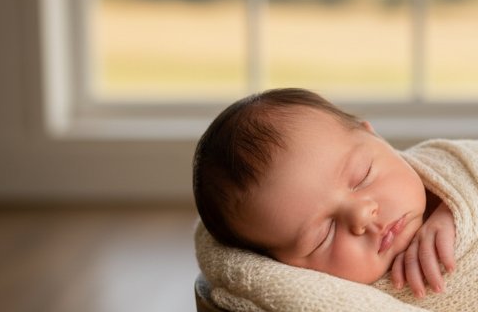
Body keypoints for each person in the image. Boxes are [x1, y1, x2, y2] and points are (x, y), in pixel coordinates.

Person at [193, 88, 456, 298]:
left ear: (375, 136)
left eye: (362, 176)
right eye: (323, 236)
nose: (361, 215)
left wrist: (456, 212)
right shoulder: (342, 306)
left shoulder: (451, 170)